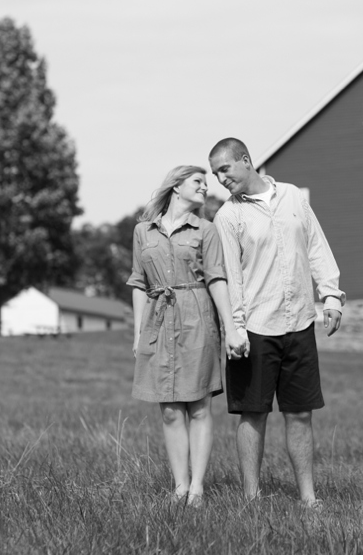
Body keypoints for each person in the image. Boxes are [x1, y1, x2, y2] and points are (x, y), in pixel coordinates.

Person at [208, 138, 345, 508]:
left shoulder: (294, 197)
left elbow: (316, 245)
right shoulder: (227, 217)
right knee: (252, 414)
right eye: (215, 173)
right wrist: (234, 330)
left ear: (246, 161)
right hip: (254, 328)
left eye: (225, 169)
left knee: (300, 413)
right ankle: (251, 499)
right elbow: (231, 276)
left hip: (299, 321)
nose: (221, 179)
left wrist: (330, 295)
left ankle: (308, 498)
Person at [127, 165, 246, 507]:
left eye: (206, 183)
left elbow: (216, 279)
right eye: (198, 181)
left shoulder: (206, 230)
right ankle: (179, 486)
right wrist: (138, 333)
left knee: (198, 405)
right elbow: (138, 282)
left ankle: (197, 487)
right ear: (176, 186)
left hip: (197, 317)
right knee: (169, 409)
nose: (205, 187)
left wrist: (230, 329)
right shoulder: (142, 232)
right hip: (158, 320)